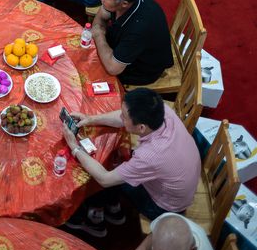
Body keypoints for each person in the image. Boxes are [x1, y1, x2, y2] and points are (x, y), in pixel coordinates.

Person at [62, 88, 201, 236]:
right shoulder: (161, 112)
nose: (121, 116)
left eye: (124, 116)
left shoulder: (150, 155)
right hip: (180, 180)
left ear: (141, 127)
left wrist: (74, 147)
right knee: (115, 162)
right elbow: (123, 118)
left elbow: (105, 179)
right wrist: (90, 119)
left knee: (101, 175)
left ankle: (94, 219)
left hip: (166, 207)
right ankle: (113, 207)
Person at [91, 0, 174, 84]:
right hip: (124, 46)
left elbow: (112, 68)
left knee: (91, 72)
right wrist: (98, 28)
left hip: (140, 70)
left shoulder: (139, 28)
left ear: (124, 4)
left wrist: (98, 34)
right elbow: (102, 15)